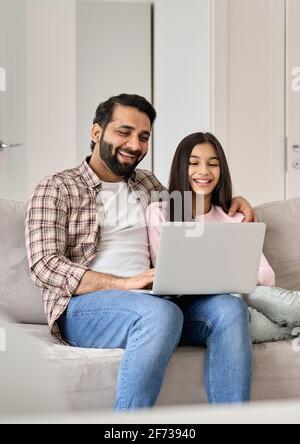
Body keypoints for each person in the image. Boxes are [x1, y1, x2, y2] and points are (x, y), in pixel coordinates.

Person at [25, 94, 255, 411]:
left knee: (230, 310)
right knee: (160, 314)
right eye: (124, 132)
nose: (134, 144)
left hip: (158, 301)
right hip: (85, 310)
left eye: (143, 136)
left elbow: (191, 213)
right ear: (96, 133)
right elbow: (43, 266)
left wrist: (234, 199)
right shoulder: (57, 187)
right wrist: (123, 283)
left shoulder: (149, 184)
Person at [146, 132, 276, 404]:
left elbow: (267, 275)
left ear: (222, 170)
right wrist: (228, 274)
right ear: (182, 167)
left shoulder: (235, 217)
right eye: (194, 163)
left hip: (220, 312)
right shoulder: (160, 212)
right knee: (232, 306)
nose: (204, 171)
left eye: (213, 163)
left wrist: (216, 277)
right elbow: (167, 273)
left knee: (232, 308)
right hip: (175, 311)